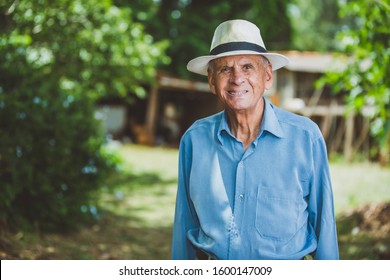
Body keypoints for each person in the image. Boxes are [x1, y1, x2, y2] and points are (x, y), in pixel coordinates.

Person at [171, 19, 339, 260]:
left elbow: (325, 226)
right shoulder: (194, 141)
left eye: (247, 67)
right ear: (211, 80)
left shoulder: (305, 137)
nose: (237, 78)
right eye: (225, 69)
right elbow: (184, 225)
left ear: (267, 76)